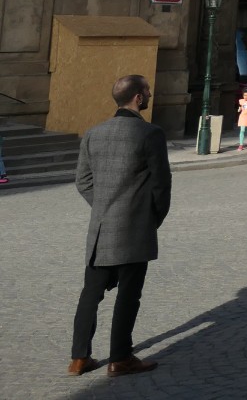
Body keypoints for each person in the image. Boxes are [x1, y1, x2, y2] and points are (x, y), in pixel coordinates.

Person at [68, 75, 171, 377]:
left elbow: (82, 181)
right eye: (147, 91)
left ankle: (78, 358)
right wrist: (152, 218)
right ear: (138, 97)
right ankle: (120, 358)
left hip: (101, 230)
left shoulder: (93, 133)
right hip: (133, 228)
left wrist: (103, 207)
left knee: (90, 294)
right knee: (128, 294)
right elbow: (161, 184)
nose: (149, 94)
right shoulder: (150, 133)